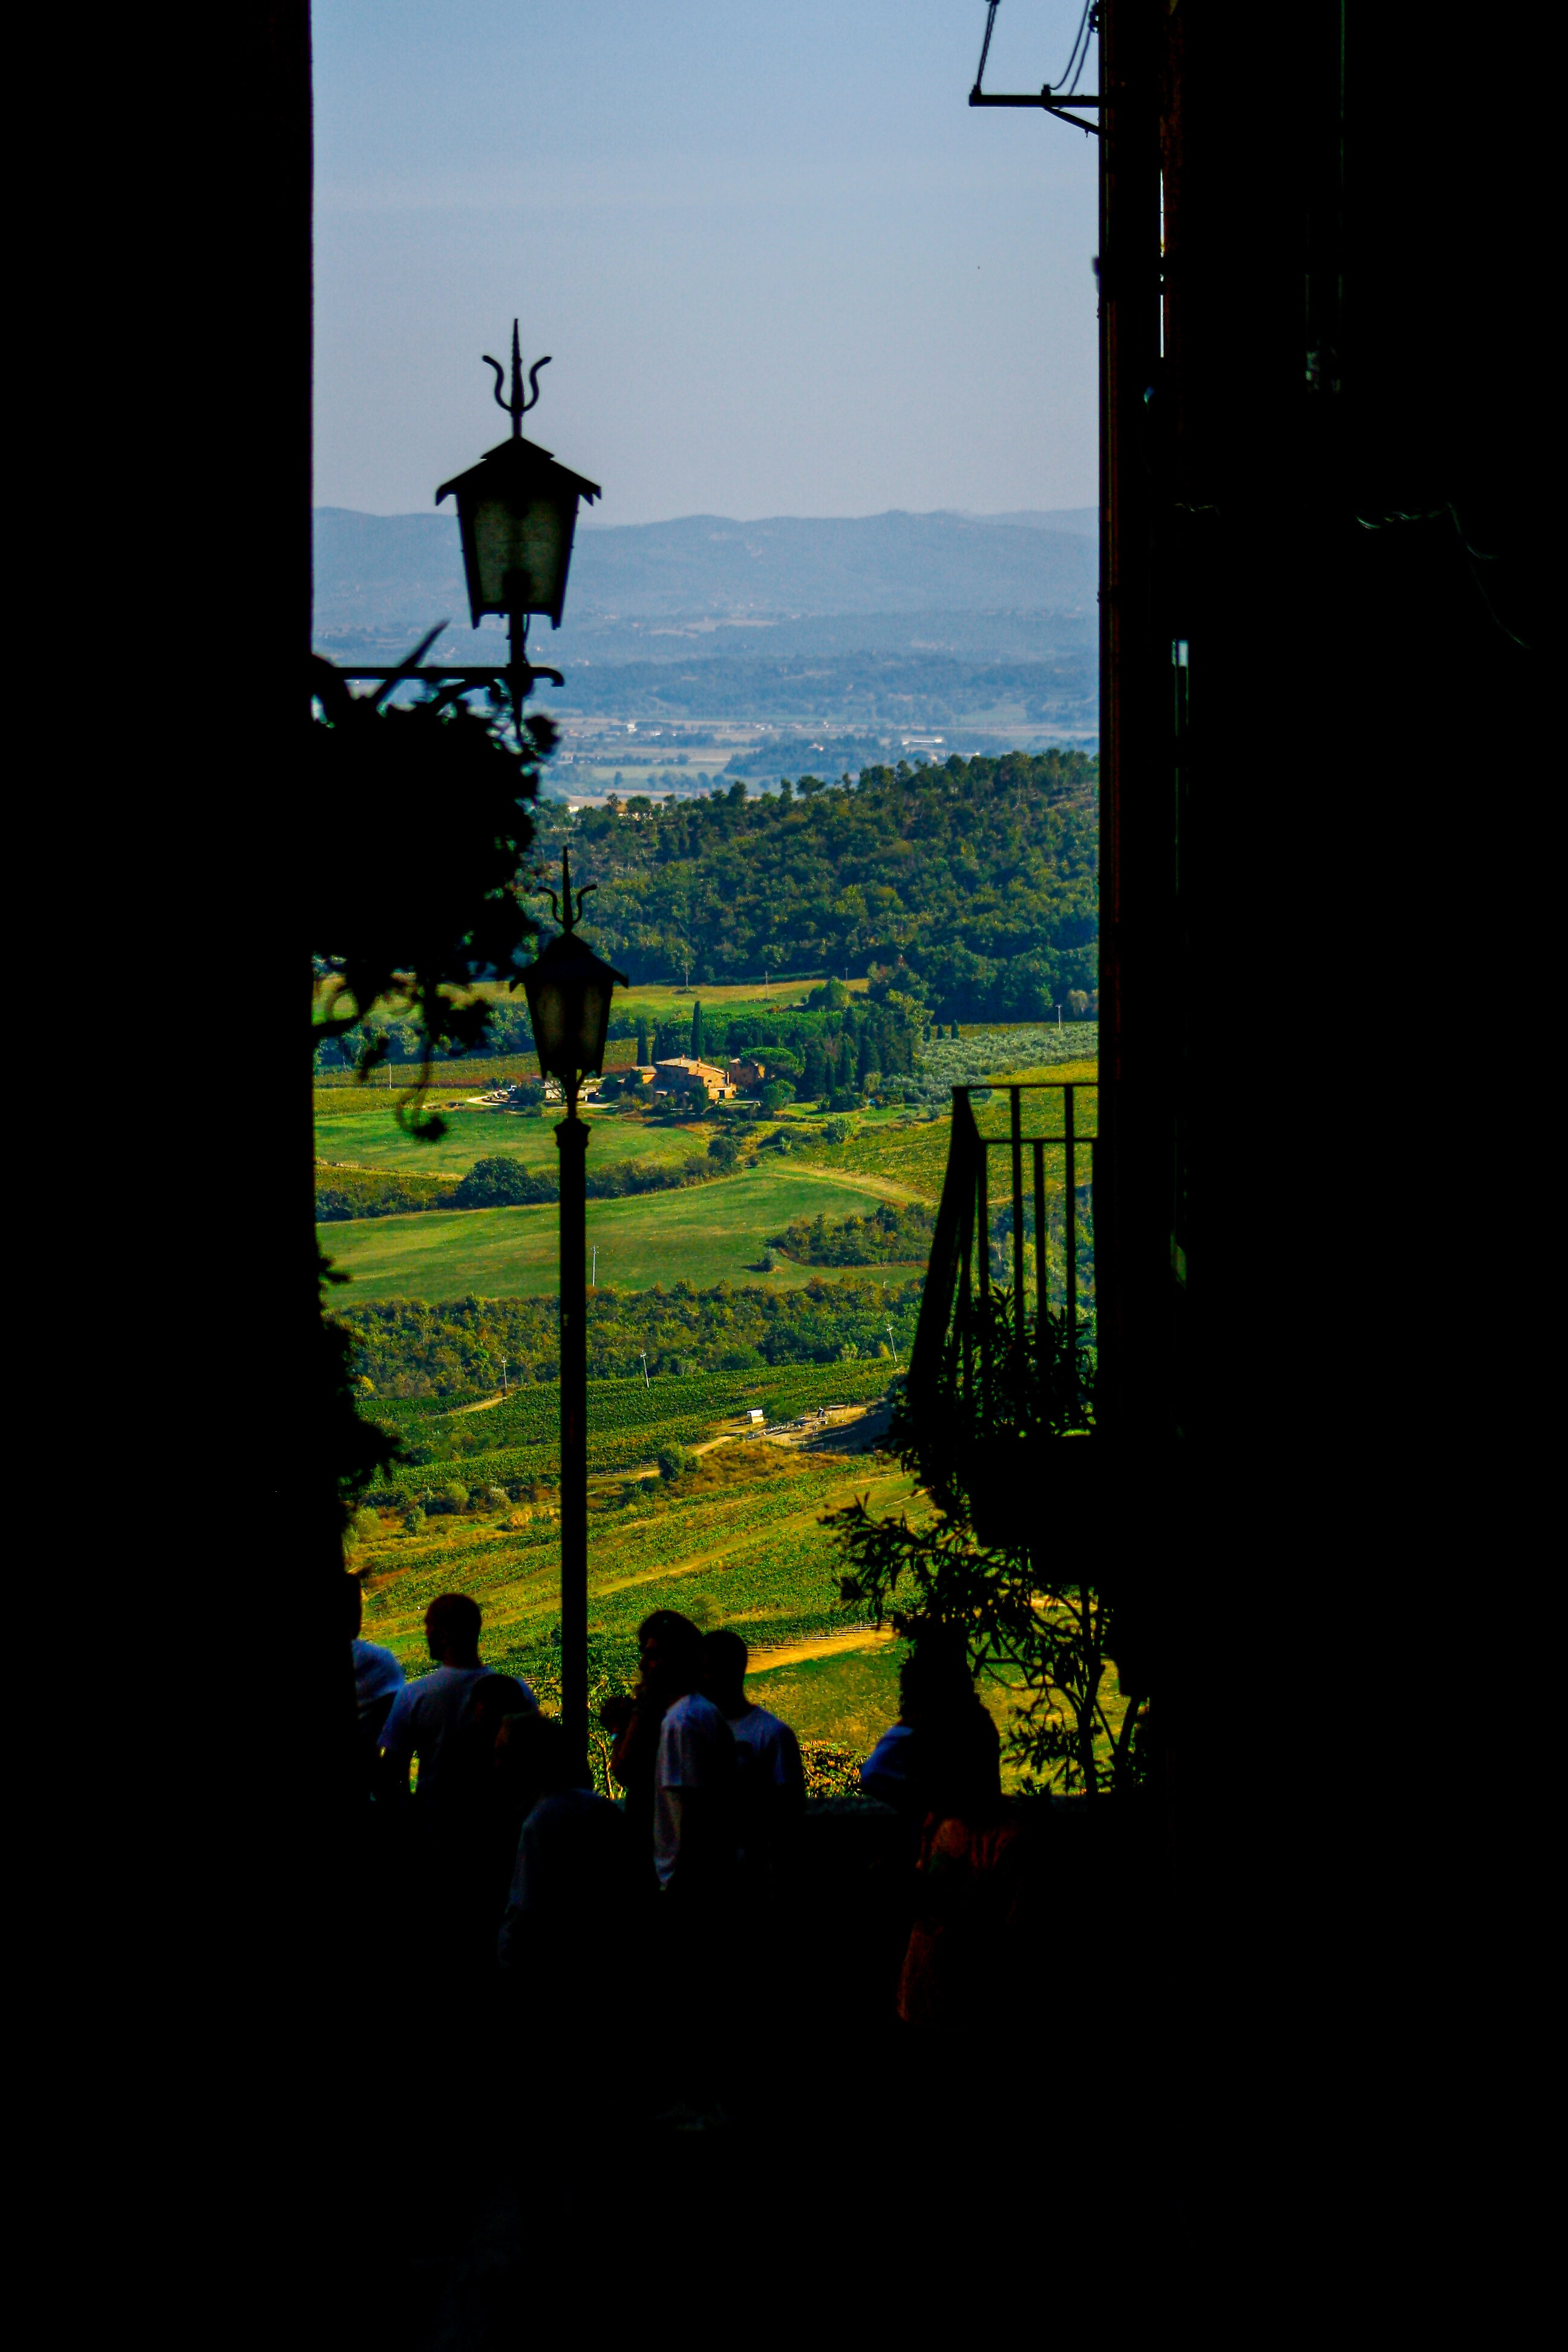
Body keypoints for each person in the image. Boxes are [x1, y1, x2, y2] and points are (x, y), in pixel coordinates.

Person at [377, 1593, 535, 1805]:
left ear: (442, 1634)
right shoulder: (517, 1690)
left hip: (435, 1830)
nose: (426, 1634)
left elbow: (392, 1775)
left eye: (429, 1626)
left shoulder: (414, 1696)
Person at [698, 1628, 804, 1866]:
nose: (701, 1679)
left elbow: (790, 1814)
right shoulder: (695, 1731)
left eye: (708, 1670)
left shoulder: (773, 1735)